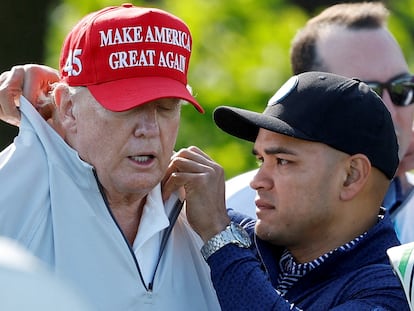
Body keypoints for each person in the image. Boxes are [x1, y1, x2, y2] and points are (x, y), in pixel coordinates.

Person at [0, 4, 221, 311]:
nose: (149, 129)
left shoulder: (208, 218)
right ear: (67, 109)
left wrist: (224, 238)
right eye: (126, 106)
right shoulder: (13, 196)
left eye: (166, 107)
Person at [163, 71, 410, 310]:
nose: (257, 181)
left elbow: (220, 228)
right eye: (261, 160)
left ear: (351, 176)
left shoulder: (394, 291)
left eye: (282, 161)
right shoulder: (258, 242)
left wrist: (219, 237)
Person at [225, 1, 414, 244]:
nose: (389, 110)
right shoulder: (233, 208)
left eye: (402, 88)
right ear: (305, 95)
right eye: (366, 92)